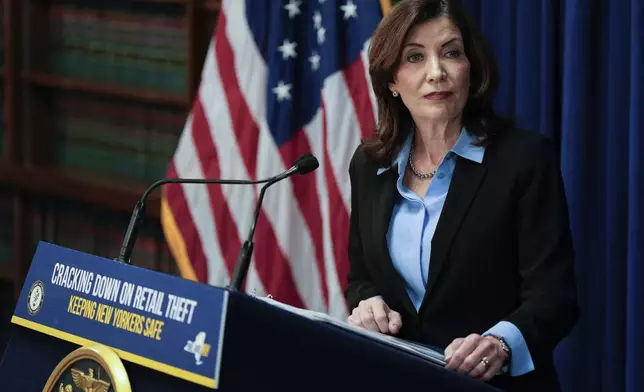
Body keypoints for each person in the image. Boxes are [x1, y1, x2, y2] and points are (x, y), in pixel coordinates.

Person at [344, 1, 579, 391]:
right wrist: (368, 305)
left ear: (472, 68)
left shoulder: (523, 159)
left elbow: (554, 296)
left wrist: (501, 344)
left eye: (451, 53)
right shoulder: (370, 166)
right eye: (414, 57)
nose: (436, 73)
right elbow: (361, 277)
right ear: (391, 81)